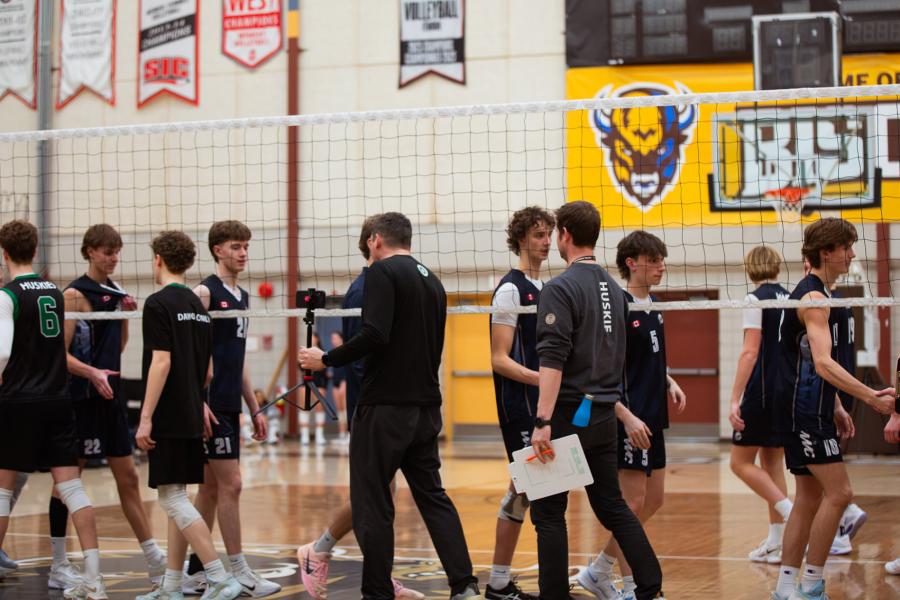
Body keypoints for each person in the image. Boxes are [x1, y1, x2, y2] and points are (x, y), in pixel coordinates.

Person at [299, 212, 481, 600]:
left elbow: (375, 335)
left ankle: (377, 591)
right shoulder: (433, 280)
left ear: (374, 240)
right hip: (426, 408)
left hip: (385, 408)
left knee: (373, 502)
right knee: (434, 497)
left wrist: (325, 359)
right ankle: (463, 585)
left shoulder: (380, 274)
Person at [529, 201, 663, 600]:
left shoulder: (560, 288)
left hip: (571, 415)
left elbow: (552, 359)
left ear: (565, 235)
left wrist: (542, 421)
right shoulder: (615, 291)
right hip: (603, 416)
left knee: (549, 512)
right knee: (612, 507)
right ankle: (651, 586)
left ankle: (554, 595)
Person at [296, 216, 424, 600]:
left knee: (380, 492)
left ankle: (323, 551)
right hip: (370, 406)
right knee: (376, 494)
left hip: (387, 406)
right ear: (374, 243)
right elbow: (359, 355)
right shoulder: (363, 288)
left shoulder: (386, 281)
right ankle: (320, 550)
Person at [771, 218, 895, 600]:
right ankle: (810, 584)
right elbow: (822, 362)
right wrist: (871, 398)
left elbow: (809, 360)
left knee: (808, 498)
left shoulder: (827, 294)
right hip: (802, 412)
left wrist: (838, 404)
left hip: (815, 408)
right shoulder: (813, 299)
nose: (852, 254)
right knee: (840, 494)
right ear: (826, 252)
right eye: (846, 247)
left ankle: (787, 587)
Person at [50, 224, 168, 590]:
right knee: (69, 483)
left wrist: (126, 313)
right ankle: (58, 563)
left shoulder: (115, 291)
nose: (112, 257)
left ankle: (153, 557)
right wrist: (91, 373)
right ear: (89, 252)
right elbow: (60, 354)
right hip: (81, 399)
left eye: (116, 251)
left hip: (110, 397)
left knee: (129, 478)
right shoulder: (74, 295)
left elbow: (116, 345)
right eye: (105, 251)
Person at [0, 219, 107, 598]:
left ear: (5, 253)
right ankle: (94, 578)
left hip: (18, 402)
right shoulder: (56, 292)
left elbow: (2, 353)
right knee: (73, 489)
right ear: (35, 249)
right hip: (58, 400)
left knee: (2, 491)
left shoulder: (8, 295)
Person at [134, 230, 242, 600]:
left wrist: (145, 417)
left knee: (172, 500)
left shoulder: (157, 303)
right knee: (176, 496)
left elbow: (160, 362)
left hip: (168, 413)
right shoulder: (199, 306)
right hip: (192, 413)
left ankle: (219, 575)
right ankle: (172, 585)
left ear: (159, 260)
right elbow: (208, 371)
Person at [577, 231, 685, 600]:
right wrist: (625, 416)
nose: (661, 266)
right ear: (631, 263)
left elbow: (646, 358)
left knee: (654, 501)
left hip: (653, 416)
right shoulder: (619, 306)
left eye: (661, 260)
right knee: (632, 505)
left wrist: (668, 380)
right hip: (629, 417)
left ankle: (599, 570)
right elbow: (603, 370)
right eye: (654, 260)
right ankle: (631, 586)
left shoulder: (651, 304)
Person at [182, 221, 279, 597]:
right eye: (236, 246)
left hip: (228, 404)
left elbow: (237, 360)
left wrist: (254, 407)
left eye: (246, 247)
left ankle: (195, 570)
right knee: (231, 485)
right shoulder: (204, 292)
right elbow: (188, 354)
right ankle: (238, 570)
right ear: (218, 249)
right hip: (209, 407)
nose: (243, 253)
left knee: (208, 490)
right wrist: (199, 402)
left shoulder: (243, 297)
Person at [486, 206, 555, 600]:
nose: (545, 243)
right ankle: (499, 581)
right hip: (520, 407)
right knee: (528, 490)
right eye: (538, 235)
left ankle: (499, 582)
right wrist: (541, 379)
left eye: (548, 235)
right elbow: (499, 358)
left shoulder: (547, 289)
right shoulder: (511, 289)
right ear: (521, 239)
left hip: (543, 406)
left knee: (527, 491)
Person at [725, 246, 793, 565]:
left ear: (749, 268)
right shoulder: (790, 296)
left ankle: (791, 515)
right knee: (772, 464)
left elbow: (750, 352)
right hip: (786, 391)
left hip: (762, 391)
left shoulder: (756, 299)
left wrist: (735, 398)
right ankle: (776, 543)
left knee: (739, 463)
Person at [301, 333, 328, 446]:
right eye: (310, 337)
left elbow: (326, 368)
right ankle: (304, 434)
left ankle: (319, 434)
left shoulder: (322, 351)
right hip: (306, 382)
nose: (312, 339)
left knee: (319, 408)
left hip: (319, 383)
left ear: (317, 339)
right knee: (304, 407)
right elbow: (300, 367)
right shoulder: (304, 352)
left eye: (313, 337)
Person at [330, 331, 348, 442]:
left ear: (341, 339)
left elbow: (348, 368)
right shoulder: (333, 352)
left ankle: (349, 434)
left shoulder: (346, 350)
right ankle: (341, 434)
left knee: (346, 408)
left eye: (335, 338)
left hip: (344, 381)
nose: (333, 341)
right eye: (332, 339)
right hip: (335, 382)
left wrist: (344, 381)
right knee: (339, 409)